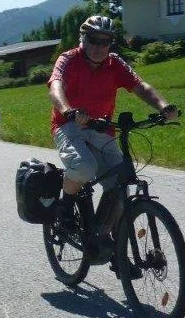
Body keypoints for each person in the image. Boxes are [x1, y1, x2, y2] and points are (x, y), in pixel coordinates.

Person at [48, 15, 178, 263]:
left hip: (102, 128)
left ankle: (107, 240)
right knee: (84, 167)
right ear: (83, 40)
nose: (99, 47)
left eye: (105, 42)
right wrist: (69, 111)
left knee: (119, 184)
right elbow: (56, 87)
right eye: (94, 40)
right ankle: (65, 207)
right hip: (69, 125)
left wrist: (163, 106)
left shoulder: (114, 63)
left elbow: (140, 86)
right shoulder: (68, 59)